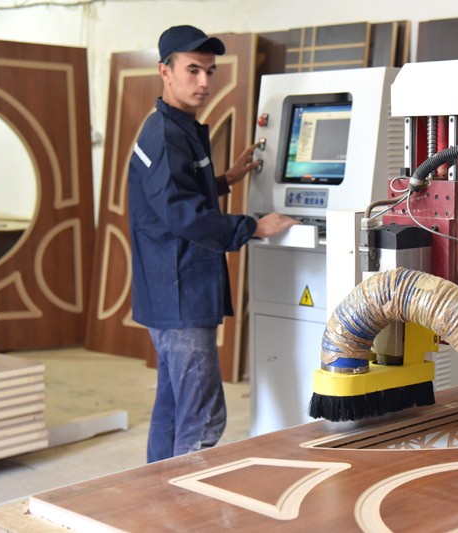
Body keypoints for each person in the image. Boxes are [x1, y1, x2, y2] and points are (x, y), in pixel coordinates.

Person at [127, 25, 297, 462]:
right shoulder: (166, 137)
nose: (203, 82)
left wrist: (226, 180)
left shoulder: (179, 128)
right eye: (193, 70)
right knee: (204, 418)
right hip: (179, 294)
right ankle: (184, 499)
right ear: (165, 71)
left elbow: (176, 191)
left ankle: (158, 495)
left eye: (210, 71)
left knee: (173, 409)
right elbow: (183, 215)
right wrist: (253, 227)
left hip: (171, 291)